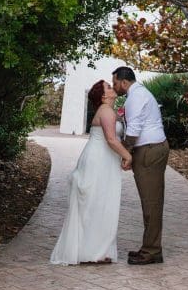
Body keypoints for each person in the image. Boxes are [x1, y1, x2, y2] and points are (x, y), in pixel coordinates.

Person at [50, 79, 132, 265]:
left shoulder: (108, 112)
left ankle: (97, 250)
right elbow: (111, 139)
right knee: (97, 205)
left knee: (99, 204)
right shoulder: (106, 112)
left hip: (104, 160)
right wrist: (128, 156)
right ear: (104, 96)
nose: (113, 88)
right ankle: (93, 252)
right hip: (99, 161)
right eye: (109, 88)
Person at [112, 66, 169, 265]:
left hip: (150, 151)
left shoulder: (135, 97)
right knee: (151, 201)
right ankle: (150, 248)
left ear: (123, 81)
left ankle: (151, 251)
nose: (114, 86)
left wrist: (126, 153)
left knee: (151, 202)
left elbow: (134, 129)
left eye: (115, 82)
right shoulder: (139, 93)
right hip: (152, 148)